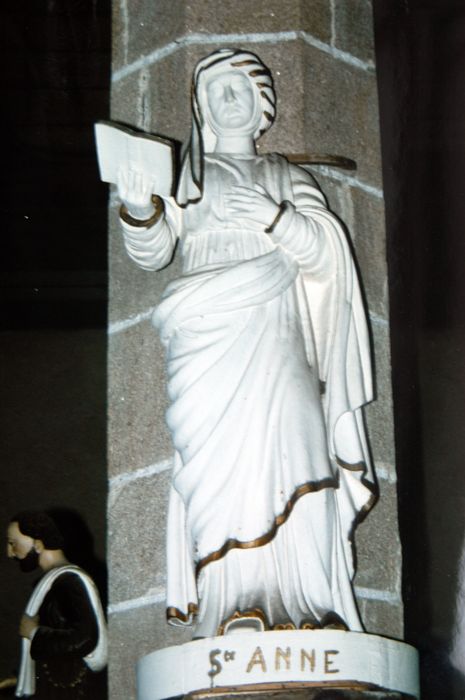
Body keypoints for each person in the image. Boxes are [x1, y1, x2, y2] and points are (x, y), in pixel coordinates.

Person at [117, 48, 376, 638]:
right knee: (217, 465)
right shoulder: (187, 181)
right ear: (201, 109)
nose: (227, 99)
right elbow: (153, 252)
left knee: (296, 444)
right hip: (205, 337)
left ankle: (306, 600)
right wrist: (138, 208)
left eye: (240, 88)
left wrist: (274, 217)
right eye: (215, 91)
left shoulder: (287, 178)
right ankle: (231, 602)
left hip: (275, 330)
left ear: (264, 106)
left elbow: (325, 253)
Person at [7, 511, 107, 698]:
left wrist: (34, 633)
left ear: (37, 544)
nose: (10, 552)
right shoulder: (52, 584)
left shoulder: (68, 581)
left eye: (13, 543)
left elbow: (84, 638)